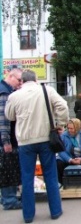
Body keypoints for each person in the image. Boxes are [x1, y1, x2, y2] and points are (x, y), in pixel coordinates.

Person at [5, 70, 69, 223]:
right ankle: (55, 211)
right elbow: (63, 106)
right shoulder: (47, 90)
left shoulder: (14, 96)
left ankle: (28, 216)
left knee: (27, 178)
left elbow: (9, 116)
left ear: (23, 81)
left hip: (25, 142)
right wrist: (59, 124)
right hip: (46, 139)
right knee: (50, 176)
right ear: (36, 79)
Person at [0, 68, 22, 211]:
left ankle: (9, 197)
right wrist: (6, 141)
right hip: (6, 140)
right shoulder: (4, 92)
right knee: (7, 169)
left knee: (9, 168)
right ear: (10, 76)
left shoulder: (7, 90)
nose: (20, 83)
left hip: (8, 138)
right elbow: (3, 119)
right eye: (18, 80)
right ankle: (9, 200)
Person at [56, 119, 81, 184]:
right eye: (68, 128)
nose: (69, 130)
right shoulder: (64, 136)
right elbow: (61, 151)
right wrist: (70, 159)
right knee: (58, 163)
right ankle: (62, 183)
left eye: (72, 128)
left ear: (78, 128)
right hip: (69, 158)